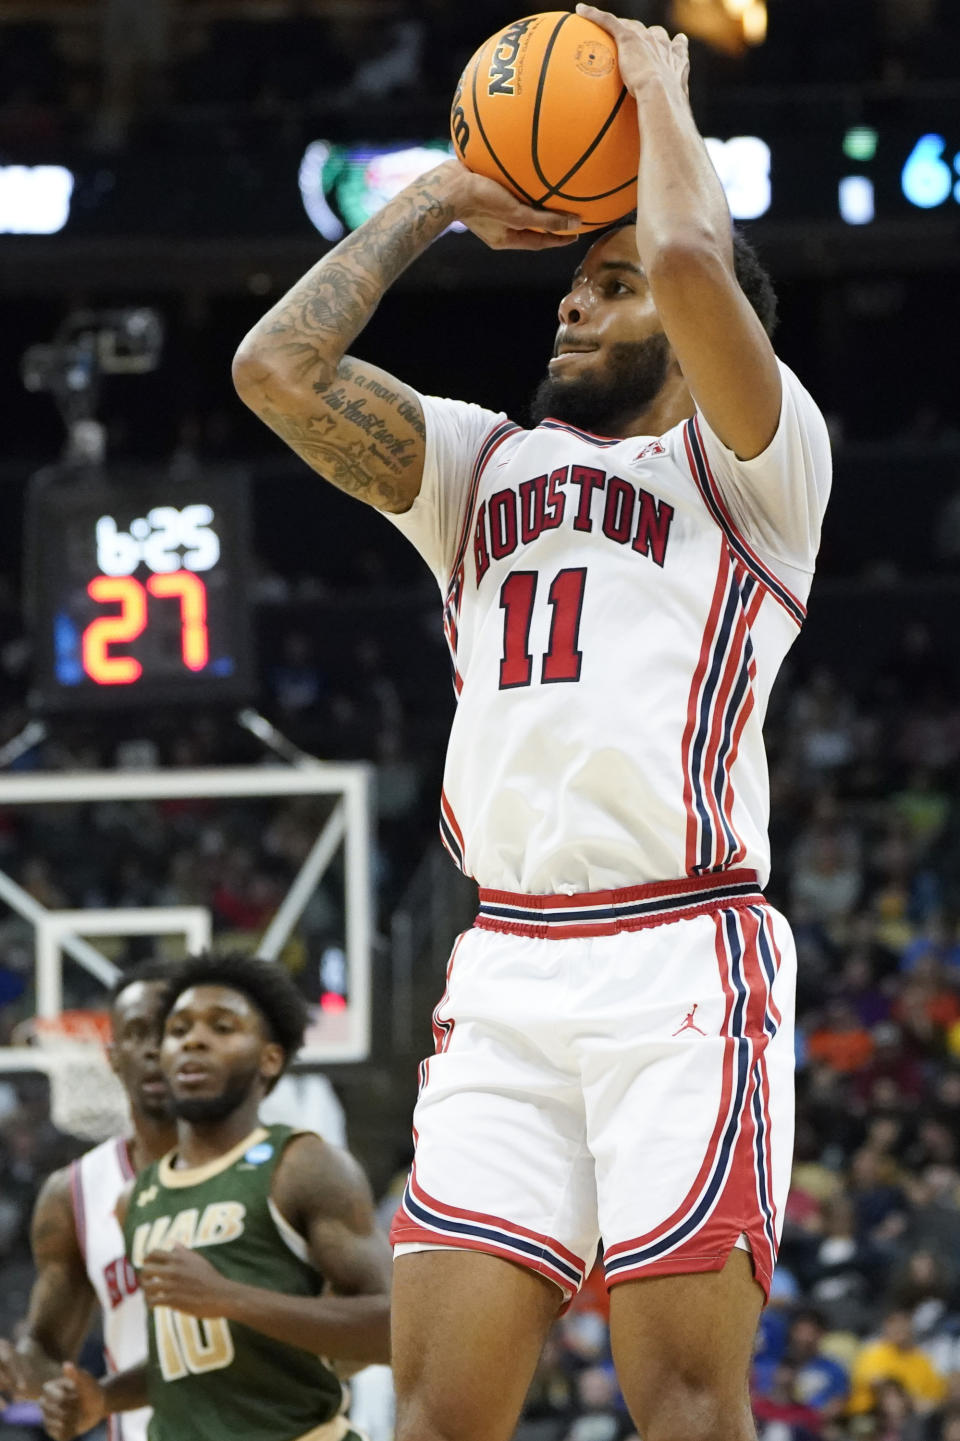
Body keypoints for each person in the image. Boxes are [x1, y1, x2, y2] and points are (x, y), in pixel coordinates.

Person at [231, 6, 832, 1440]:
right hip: (505, 964)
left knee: (682, 1399)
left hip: (681, 957)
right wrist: (442, 192)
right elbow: (275, 370)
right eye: (575, 280)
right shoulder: (475, 466)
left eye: (612, 286)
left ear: (694, 331)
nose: (576, 301)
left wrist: (654, 89)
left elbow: (694, 253)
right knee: (441, 1411)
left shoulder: (760, 469)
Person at [40, 952, 392, 1441]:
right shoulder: (137, 1199)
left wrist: (230, 1298)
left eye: (222, 1027)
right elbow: (193, 1361)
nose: (194, 1040)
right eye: (178, 1029)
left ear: (269, 1057)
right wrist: (105, 1398)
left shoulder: (304, 1166)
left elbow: (393, 1328)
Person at [0, 961, 177, 1441]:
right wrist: (16, 1368)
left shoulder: (272, 1166)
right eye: (138, 1034)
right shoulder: (74, 1191)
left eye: (172, 1030)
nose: (157, 1048)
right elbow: (47, 1350)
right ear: (112, 1055)